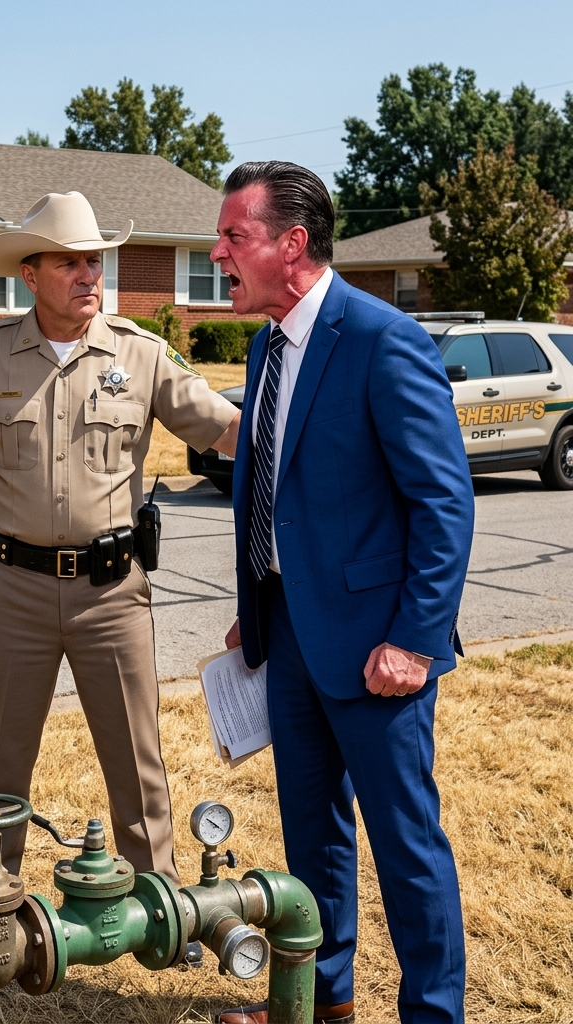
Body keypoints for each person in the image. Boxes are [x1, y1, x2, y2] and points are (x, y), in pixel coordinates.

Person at [210, 162, 474, 1024]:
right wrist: (259, 604)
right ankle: (323, 1002)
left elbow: (443, 501)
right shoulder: (267, 344)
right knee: (311, 838)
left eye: (233, 237)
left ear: (292, 245)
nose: (218, 255)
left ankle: (433, 1014)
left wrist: (415, 639)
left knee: (406, 846)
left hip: (376, 648)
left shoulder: (381, 337)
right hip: (288, 634)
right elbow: (280, 491)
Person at [0, 191, 238, 896]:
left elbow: (224, 429)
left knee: (136, 757)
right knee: (0, 758)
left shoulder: (141, 355)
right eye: (69, 262)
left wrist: (305, 443)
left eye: (94, 261)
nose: (88, 275)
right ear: (30, 275)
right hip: (14, 589)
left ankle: (159, 901)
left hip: (112, 592)